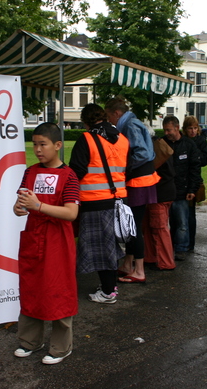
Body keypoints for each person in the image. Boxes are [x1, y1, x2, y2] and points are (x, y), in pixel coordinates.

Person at [12, 122, 80, 364]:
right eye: (35, 145)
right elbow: (19, 205)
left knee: (59, 290)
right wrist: (19, 208)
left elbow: (71, 213)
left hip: (57, 241)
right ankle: (30, 341)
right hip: (34, 237)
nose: (38, 150)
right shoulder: (30, 172)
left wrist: (38, 206)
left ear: (58, 145)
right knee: (32, 288)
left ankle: (62, 347)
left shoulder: (69, 176)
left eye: (43, 144)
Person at [69, 104, 129, 304]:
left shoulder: (87, 139)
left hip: (94, 201)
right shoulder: (122, 139)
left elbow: (75, 172)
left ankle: (108, 292)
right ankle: (110, 286)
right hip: (119, 200)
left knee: (101, 248)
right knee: (110, 245)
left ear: (86, 121)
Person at [105, 97, 159, 284]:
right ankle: (128, 265)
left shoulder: (129, 125)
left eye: (109, 117)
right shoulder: (133, 122)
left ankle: (139, 270)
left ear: (116, 113)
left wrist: (123, 168)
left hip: (139, 181)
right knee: (131, 224)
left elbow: (142, 153)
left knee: (132, 225)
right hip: (143, 179)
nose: (109, 122)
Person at [161, 116, 202, 261]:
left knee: (182, 222)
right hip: (165, 190)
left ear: (177, 128)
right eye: (165, 130)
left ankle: (182, 248)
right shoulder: (162, 143)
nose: (167, 133)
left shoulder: (189, 145)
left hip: (182, 189)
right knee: (167, 222)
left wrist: (192, 189)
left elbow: (194, 169)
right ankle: (170, 246)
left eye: (169, 130)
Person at [143, 136, 177, 271]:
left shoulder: (152, 149)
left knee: (159, 228)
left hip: (158, 195)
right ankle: (152, 257)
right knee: (151, 226)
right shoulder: (161, 145)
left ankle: (165, 261)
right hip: (162, 193)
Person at [182, 116, 207, 252]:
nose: (193, 131)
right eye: (190, 128)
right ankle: (182, 241)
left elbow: (205, 159)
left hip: (194, 178)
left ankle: (190, 243)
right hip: (183, 178)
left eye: (195, 128)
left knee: (191, 214)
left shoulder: (201, 140)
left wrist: (195, 154)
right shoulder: (183, 141)